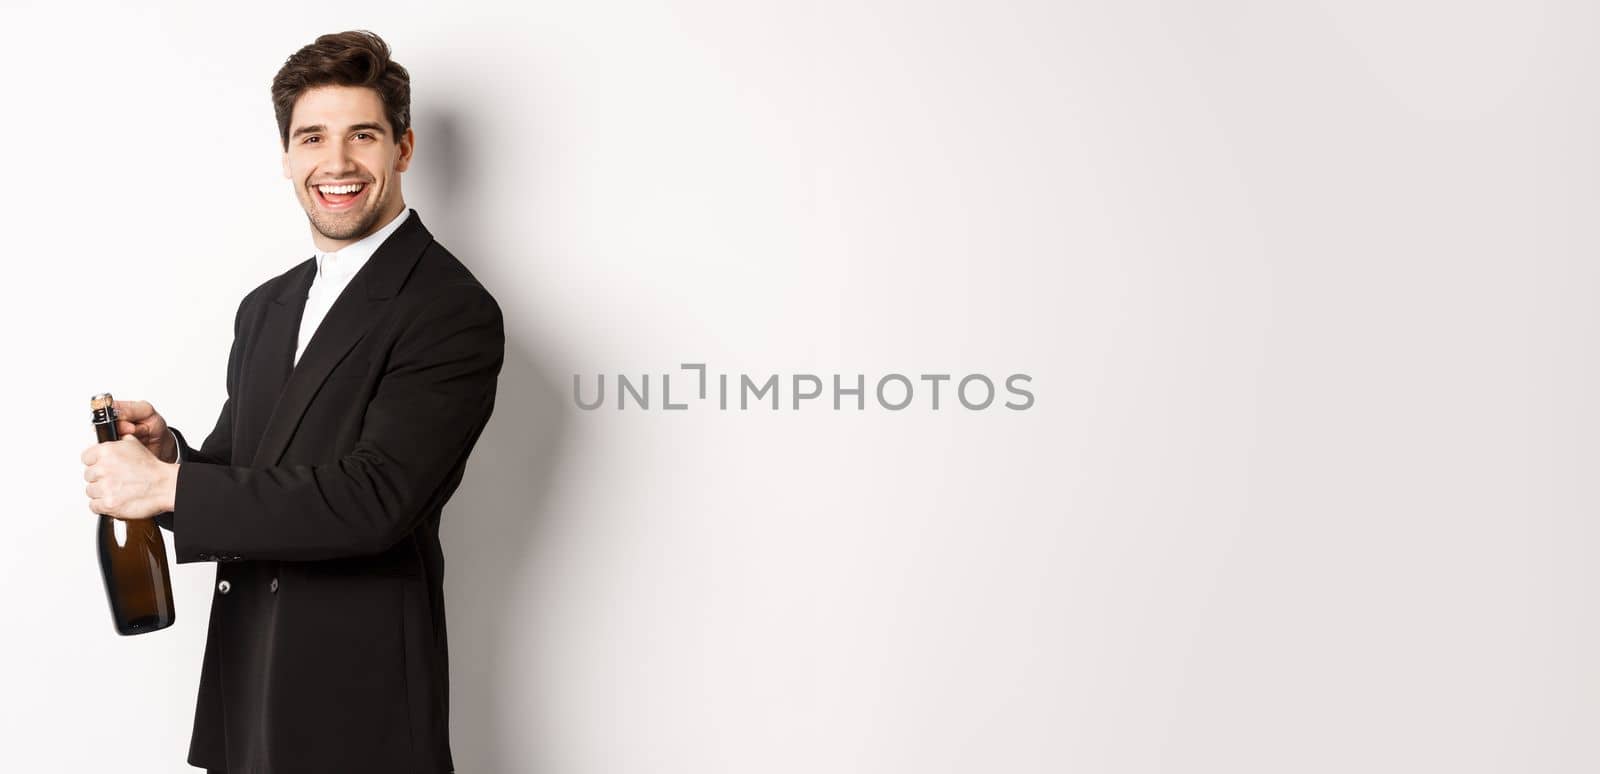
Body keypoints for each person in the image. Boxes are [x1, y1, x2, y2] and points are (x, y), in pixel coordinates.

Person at [78, 30, 499, 773]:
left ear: (403, 149)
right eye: (312, 138)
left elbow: (375, 501)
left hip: (357, 707)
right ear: (285, 156)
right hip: (248, 689)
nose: (335, 164)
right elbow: (248, 470)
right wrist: (170, 456)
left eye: (361, 135)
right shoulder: (267, 306)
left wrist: (172, 486)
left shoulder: (449, 309)